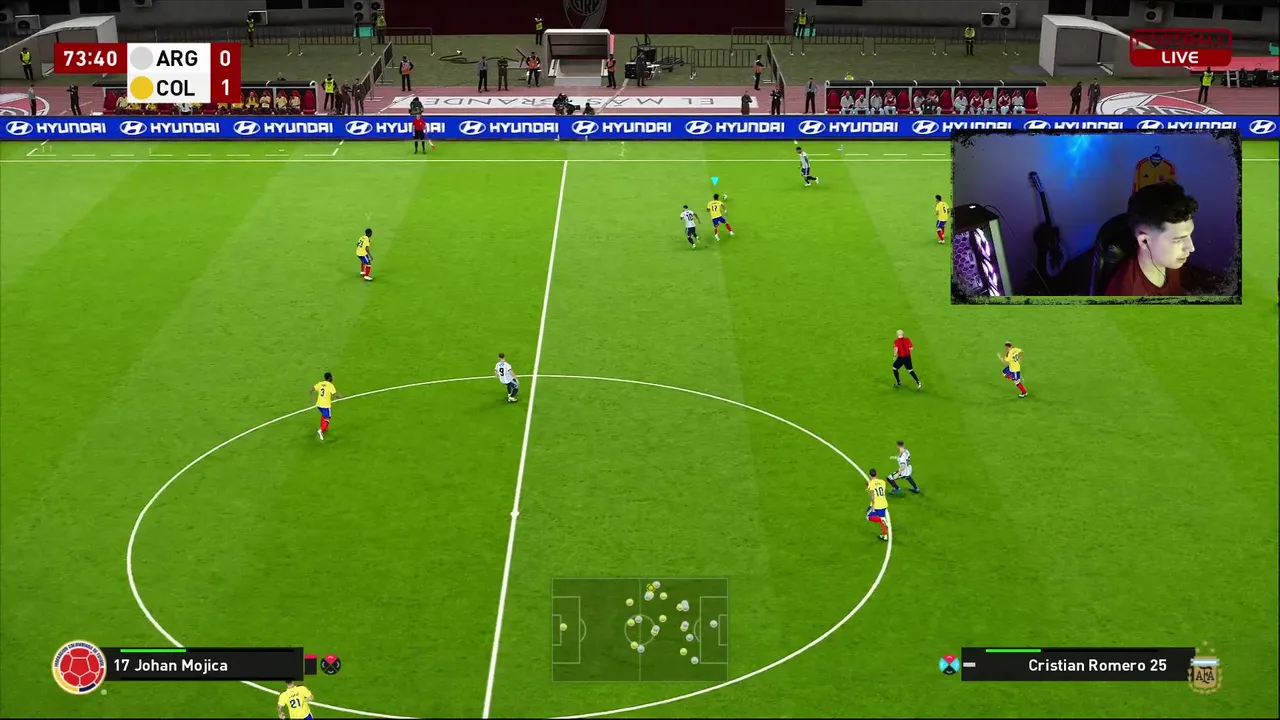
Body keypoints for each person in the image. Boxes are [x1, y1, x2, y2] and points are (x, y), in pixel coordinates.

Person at [1105, 182, 1198, 297]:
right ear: (1144, 241)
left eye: (1189, 235)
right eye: (1178, 240)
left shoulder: (1170, 260)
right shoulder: (1128, 294)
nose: (1191, 248)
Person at [310, 373, 342, 440]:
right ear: (329, 378)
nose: (332, 378)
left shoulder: (320, 383)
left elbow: (311, 390)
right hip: (325, 405)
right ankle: (321, 430)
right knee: (327, 418)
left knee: (324, 415)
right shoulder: (330, 385)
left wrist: (312, 399)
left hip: (319, 405)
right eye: (331, 377)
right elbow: (335, 394)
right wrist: (340, 396)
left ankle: (323, 428)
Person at [865, 469, 889, 542]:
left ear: (870, 475)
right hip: (883, 503)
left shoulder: (870, 484)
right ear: (876, 474)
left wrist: (872, 505)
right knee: (882, 519)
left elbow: (872, 496)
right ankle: (885, 535)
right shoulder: (883, 482)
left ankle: (881, 519)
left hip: (876, 504)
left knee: (868, 516)